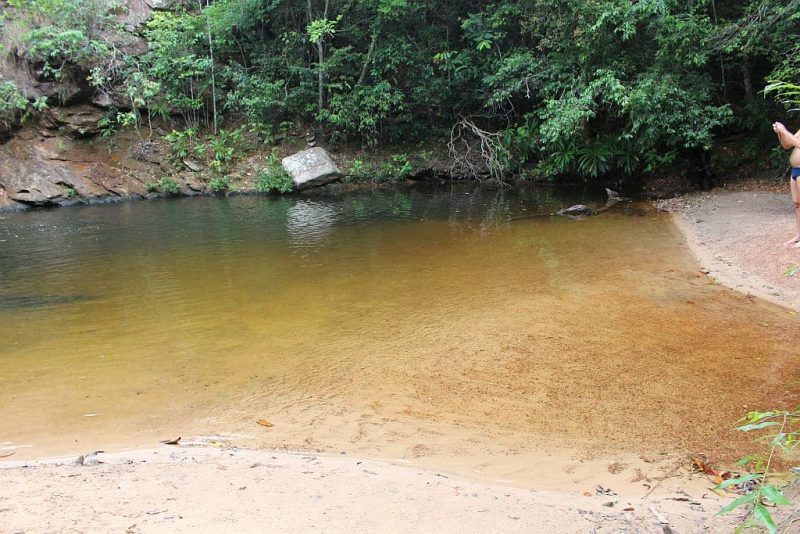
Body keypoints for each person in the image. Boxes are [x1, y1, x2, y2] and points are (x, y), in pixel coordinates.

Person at [773, 121, 800, 247]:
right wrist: (780, 133)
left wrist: (784, 131)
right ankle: (799, 235)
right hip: (795, 171)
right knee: (797, 204)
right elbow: (787, 144)